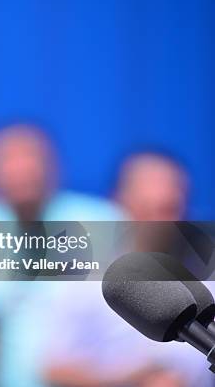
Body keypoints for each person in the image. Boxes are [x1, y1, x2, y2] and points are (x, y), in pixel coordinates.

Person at [0, 124, 122, 386]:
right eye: (9, 160)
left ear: (54, 166)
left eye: (31, 157)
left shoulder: (101, 222)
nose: (22, 170)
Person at [43, 151, 213, 387]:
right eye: (150, 204)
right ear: (121, 200)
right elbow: (55, 368)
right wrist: (129, 379)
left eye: (170, 203)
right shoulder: (85, 280)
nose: (162, 218)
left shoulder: (206, 274)